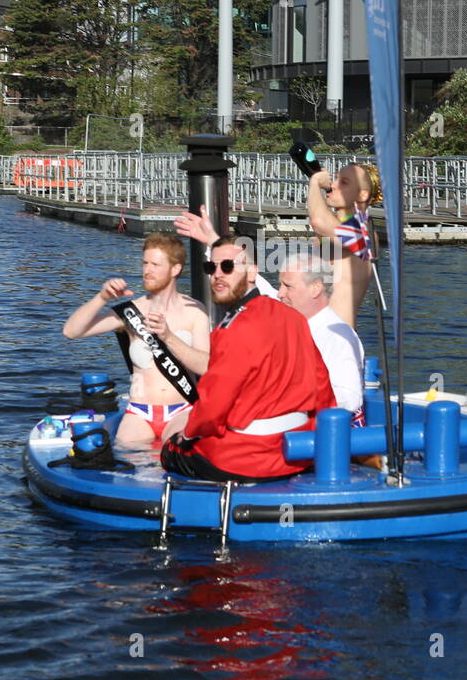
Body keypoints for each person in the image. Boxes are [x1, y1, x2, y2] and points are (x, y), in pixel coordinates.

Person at [162, 237, 335, 482]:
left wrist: (187, 435)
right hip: (296, 452)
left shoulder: (232, 328)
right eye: (211, 267)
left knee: (170, 446)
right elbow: (322, 387)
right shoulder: (294, 318)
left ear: (252, 272)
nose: (217, 275)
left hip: (246, 458)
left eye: (228, 267)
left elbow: (214, 404)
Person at [63, 232, 210, 446]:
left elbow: (206, 366)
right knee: (126, 451)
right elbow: (71, 331)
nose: (147, 271)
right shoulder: (131, 311)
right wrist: (102, 298)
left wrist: (168, 337)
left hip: (182, 410)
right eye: (145, 263)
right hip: (139, 413)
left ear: (175, 269)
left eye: (155, 265)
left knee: (177, 451)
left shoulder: (194, 311)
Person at [276, 252, 365, 426]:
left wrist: (290, 395)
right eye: (280, 285)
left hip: (324, 434)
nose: (280, 293)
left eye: (288, 286)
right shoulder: (295, 326)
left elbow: (350, 399)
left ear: (316, 288)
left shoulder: (336, 337)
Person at [305, 163, 381, 329]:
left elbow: (318, 221)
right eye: (335, 179)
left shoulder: (364, 231)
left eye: (344, 182)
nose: (333, 185)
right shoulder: (331, 229)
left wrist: (315, 182)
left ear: (362, 195)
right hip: (314, 329)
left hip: (338, 333)